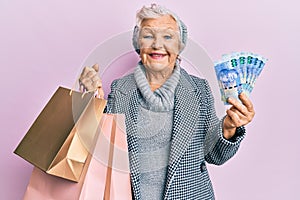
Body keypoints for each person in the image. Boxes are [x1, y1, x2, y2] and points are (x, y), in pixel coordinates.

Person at [79, 4, 255, 200]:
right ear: (139, 45)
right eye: (148, 36)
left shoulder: (200, 90)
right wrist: (91, 97)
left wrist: (228, 128)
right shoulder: (120, 89)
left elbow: (215, 155)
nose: (157, 45)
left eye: (168, 37)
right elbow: (100, 149)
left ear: (179, 47)